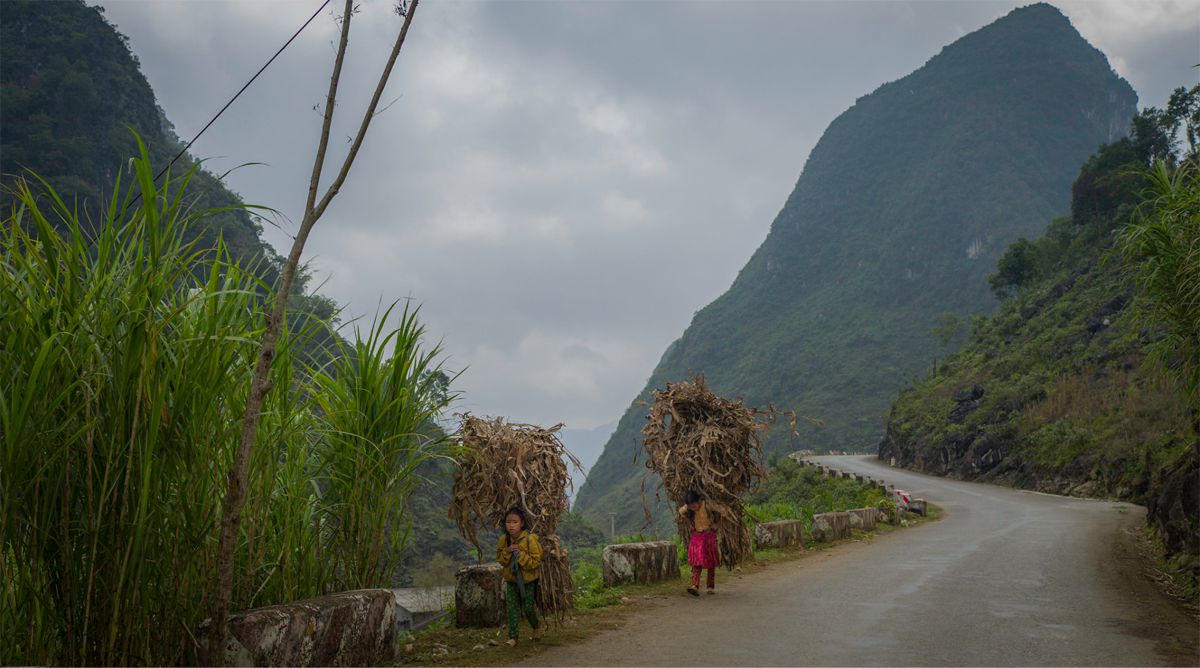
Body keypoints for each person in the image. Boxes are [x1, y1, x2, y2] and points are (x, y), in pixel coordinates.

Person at [496, 506, 543, 646]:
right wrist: (508, 551)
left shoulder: (530, 540)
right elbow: (500, 560)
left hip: (528, 581)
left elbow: (535, 562)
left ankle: (536, 626)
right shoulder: (504, 540)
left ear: (522, 523)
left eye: (514, 522)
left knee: (528, 608)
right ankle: (513, 638)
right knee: (512, 609)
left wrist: (520, 555)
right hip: (511, 580)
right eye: (508, 522)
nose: (511, 525)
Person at [678, 490, 720, 596]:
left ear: (698, 500)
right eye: (690, 506)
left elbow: (723, 511)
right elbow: (681, 511)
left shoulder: (708, 505)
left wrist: (717, 524)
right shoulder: (690, 508)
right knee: (696, 562)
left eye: (693, 505)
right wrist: (687, 508)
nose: (692, 507)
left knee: (710, 561)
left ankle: (710, 587)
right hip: (697, 536)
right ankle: (694, 586)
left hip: (709, 535)